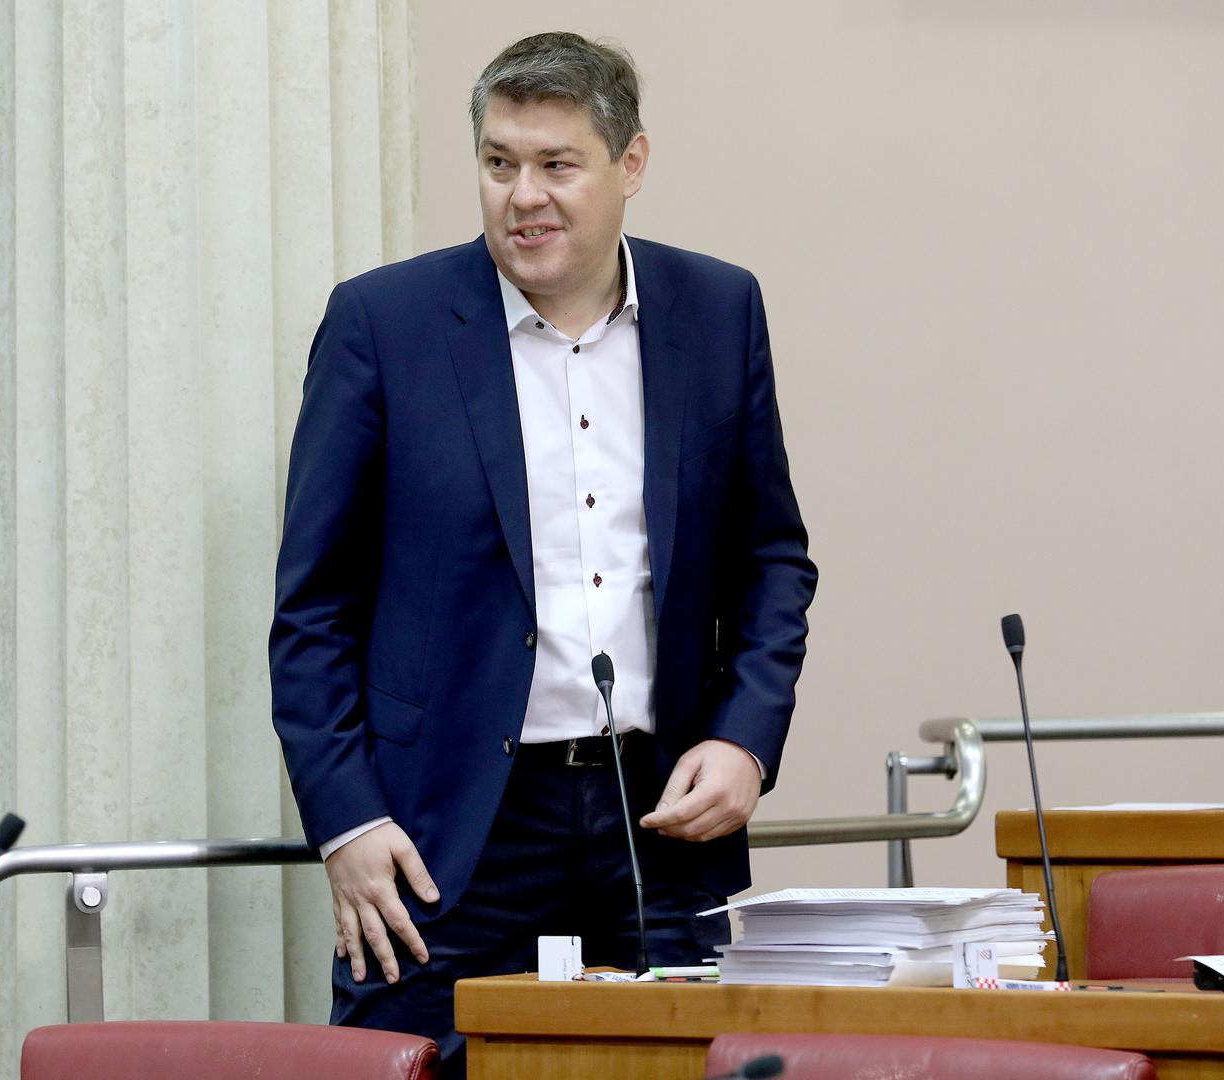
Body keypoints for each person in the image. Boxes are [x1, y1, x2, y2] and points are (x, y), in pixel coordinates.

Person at [269, 31, 816, 1078]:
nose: (524, 196)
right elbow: (312, 609)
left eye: (556, 164)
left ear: (630, 164)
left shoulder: (717, 310)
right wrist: (346, 821)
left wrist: (744, 741)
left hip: (659, 820)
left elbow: (770, 560)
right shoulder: (383, 324)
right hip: (439, 837)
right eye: (498, 162)